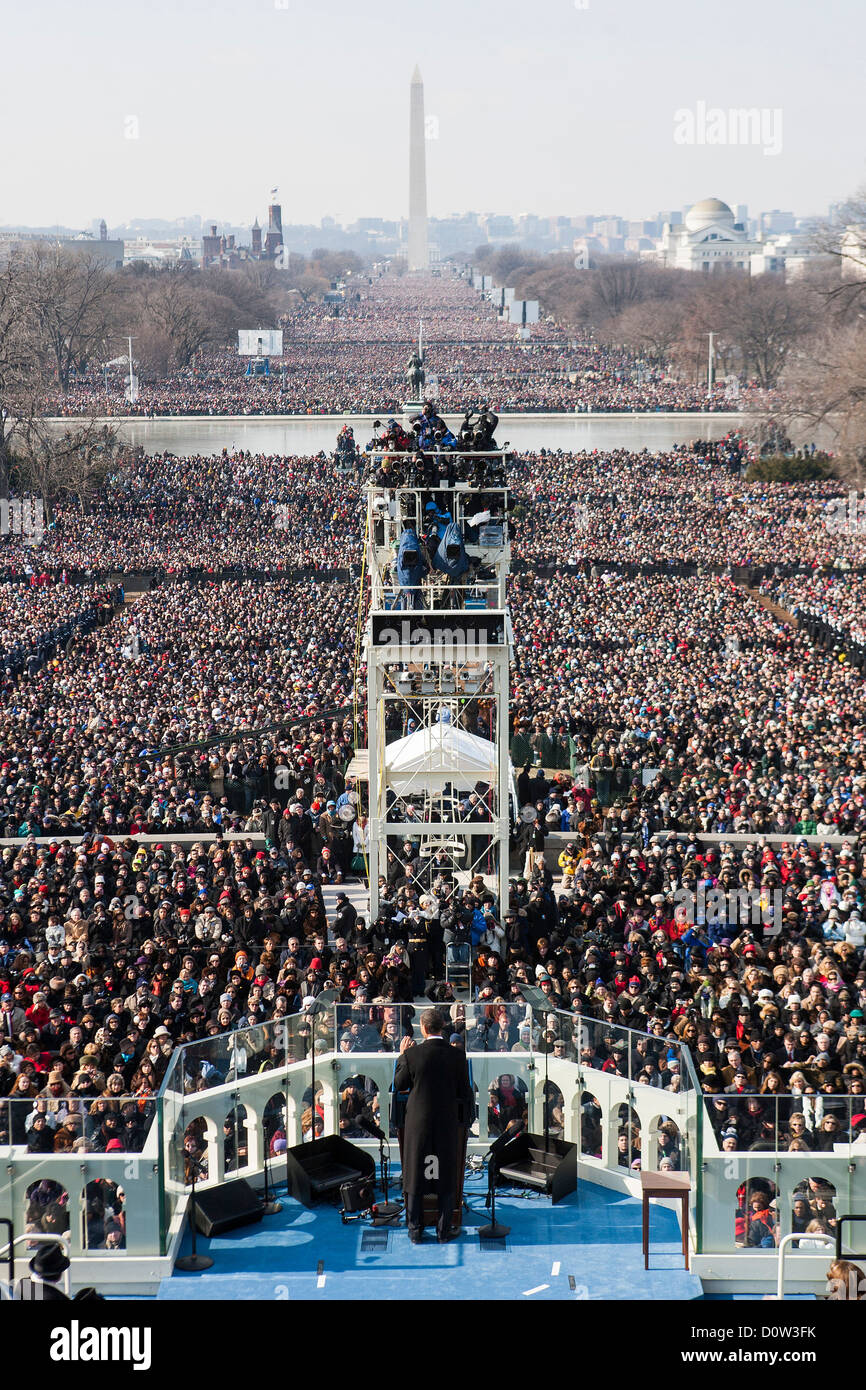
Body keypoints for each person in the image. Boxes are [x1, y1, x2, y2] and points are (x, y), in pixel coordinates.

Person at [393, 1007, 473, 1243]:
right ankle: (443, 1230)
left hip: (418, 1123)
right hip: (447, 1123)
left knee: (415, 1173)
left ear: (423, 1028)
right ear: (442, 1027)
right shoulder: (457, 1056)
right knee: (447, 1175)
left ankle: (415, 1230)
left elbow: (399, 1084)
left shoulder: (412, 1055)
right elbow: (464, 1091)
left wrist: (401, 1055)